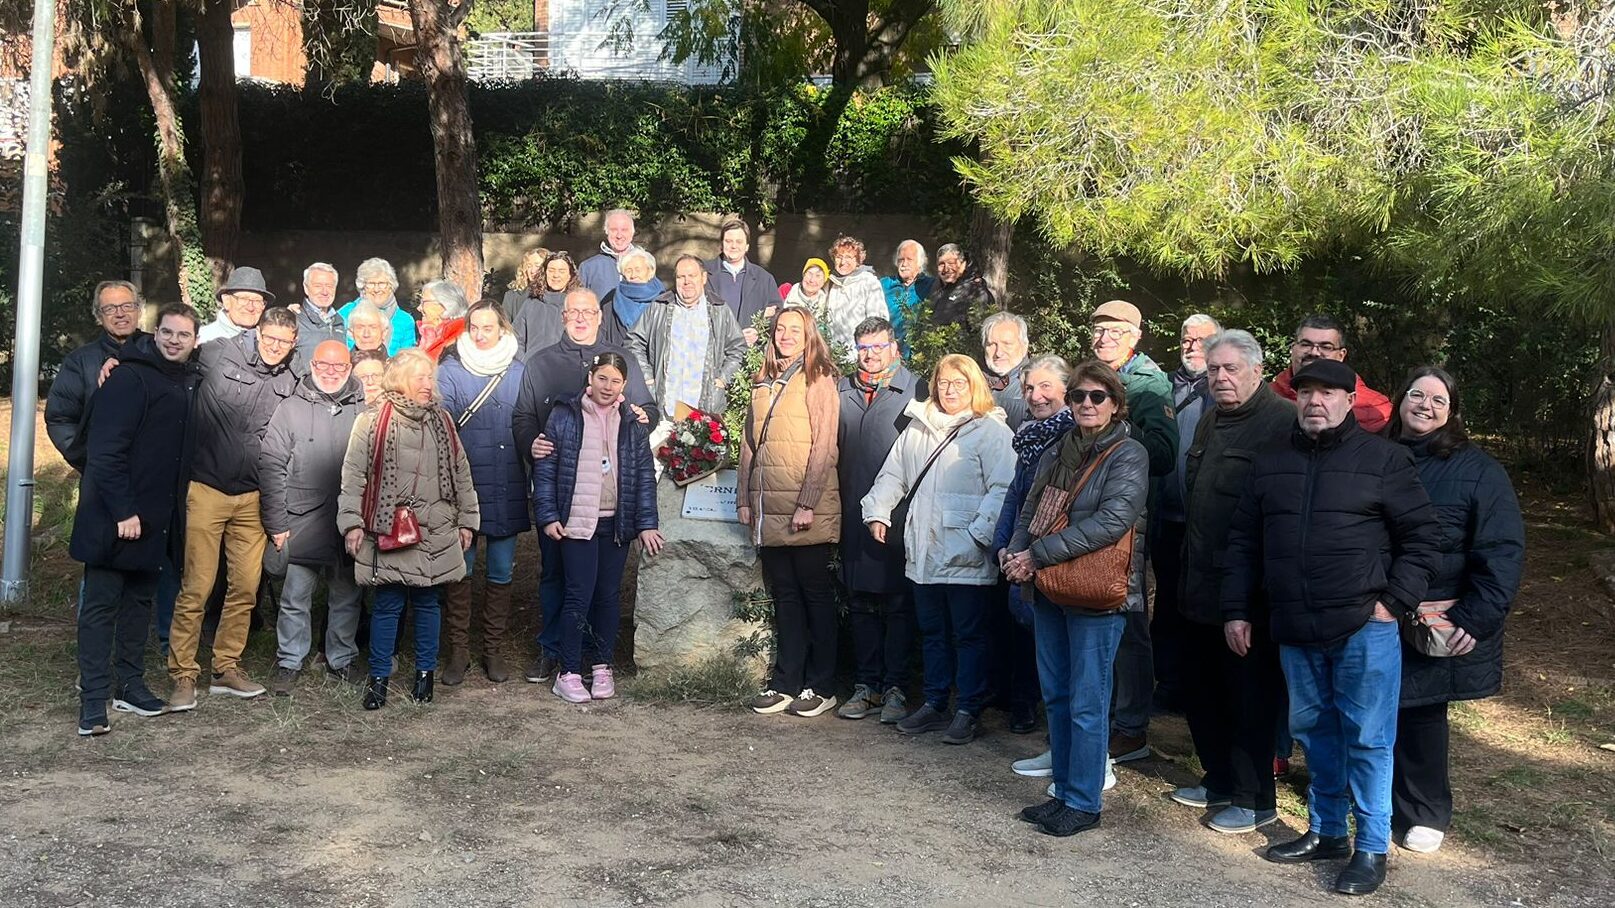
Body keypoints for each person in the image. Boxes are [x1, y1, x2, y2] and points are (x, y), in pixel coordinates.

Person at [1223, 358, 1442, 896]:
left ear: (1349, 401)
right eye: (1306, 394)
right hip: (1294, 625)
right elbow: (1244, 543)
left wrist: (1394, 602)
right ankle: (1326, 833)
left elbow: (1423, 538)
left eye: (1328, 394)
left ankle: (1370, 845)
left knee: (1368, 740)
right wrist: (1236, 608)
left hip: (1363, 625)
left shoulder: (1384, 460)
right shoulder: (1270, 462)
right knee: (1314, 734)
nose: (1315, 402)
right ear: (1295, 400)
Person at [1004, 361, 1149, 837]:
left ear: (1115, 403)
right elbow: (1030, 507)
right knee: (1060, 695)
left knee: (1089, 699)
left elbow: (1113, 521)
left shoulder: (1128, 454)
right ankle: (1063, 791)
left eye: (1097, 397)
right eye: (1079, 397)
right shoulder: (1057, 450)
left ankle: (1085, 801)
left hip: (1095, 592)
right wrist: (1019, 551)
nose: (1087, 404)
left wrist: (1036, 554)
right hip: (1049, 587)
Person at [1387, 367, 1525, 855]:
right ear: (1400, 400)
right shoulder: (1373, 455)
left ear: (1452, 413)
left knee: (1422, 714)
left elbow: (1502, 550)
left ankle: (1423, 812)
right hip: (1374, 609)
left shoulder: (1479, 470)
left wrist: (1474, 618)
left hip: (1436, 615)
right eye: (1416, 394)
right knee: (1367, 708)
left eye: (1437, 400)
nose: (1424, 405)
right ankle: (1367, 798)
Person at [1170, 329, 1295, 834]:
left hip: (1249, 592)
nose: (1220, 377)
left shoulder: (1282, 423)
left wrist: (1249, 597)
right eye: (1214, 369)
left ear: (1257, 371)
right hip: (1198, 580)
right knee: (1201, 687)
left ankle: (1254, 797)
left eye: (1231, 369)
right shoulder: (1210, 418)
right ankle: (1218, 778)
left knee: (1249, 695)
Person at [861, 354, 1014, 744]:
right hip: (924, 549)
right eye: (943, 382)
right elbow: (893, 474)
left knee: (968, 634)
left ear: (974, 386)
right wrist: (878, 511)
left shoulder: (990, 431)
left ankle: (968, 709)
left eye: (959, 384)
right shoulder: (920, 426)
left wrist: (979, 534)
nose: (949, 391)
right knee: (931, 632)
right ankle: (934, 702)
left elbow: (1004, 488)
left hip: (966, 553)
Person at [68, 303, 203, 735]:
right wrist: (124, 510)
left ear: (194, 341)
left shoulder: (184, 380)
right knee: (101, 607)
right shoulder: (128, 377)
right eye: (167, 332)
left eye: (183, 335)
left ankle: (129, 685)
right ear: (155, 332)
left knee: (138, 606)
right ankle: (93, 700)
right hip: (115, 517)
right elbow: (105, 452)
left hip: (156, 519)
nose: (174, 340)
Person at [513, 288, 658, 684]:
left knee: (601, 587)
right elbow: (524, 417)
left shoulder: (621, 358)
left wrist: (645, 416)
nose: (580, 318)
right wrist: (531, 443)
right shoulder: (540, 362)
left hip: (607, 501)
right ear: (562, 317)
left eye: (588, 312)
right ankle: (554, 651)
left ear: (599, 316)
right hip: (561, 496)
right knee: (556, 576)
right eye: (573, 311)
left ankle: (595, 657)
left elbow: (647, 413)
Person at [166, 306, 300, 710]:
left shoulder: (293, 379)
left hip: (253, 496)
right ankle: (183, 675)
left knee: (245, 587)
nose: (275, 347)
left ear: (293, 344)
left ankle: (226, 667)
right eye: (269, 338)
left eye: (284, 341)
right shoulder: (219, 352)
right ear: (258, 334)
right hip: (206, 488)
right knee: (198, 586)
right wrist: (118, 358)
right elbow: (170, 352)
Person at [339, 348, 480, 710]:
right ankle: (379, 680)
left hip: (436, 527)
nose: (427, 385)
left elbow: (461, 474)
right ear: (400, 380)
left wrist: (468, 520)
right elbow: (353, 477)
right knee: (388, 602)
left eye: (429, 378)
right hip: (389, 527)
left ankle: (424, 677)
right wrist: (352, 523)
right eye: (420, 378)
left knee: (428, 602)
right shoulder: (371, 422)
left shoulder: (443, 421)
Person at [533, 353, 663, 702]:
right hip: (577, 522)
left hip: (615, 524)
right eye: (602, 378)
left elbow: (644, 477)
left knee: (607, 597)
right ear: (590, 378)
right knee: (578, 594)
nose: (607, 387)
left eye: (615, 381)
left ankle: (602, 666)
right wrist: (547, 516)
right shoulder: (565, 415)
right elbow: (546, 470)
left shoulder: (633, 422)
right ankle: (569, 670)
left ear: (624, 385)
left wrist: (646, 523)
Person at [739, 307, 844, 718]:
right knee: (784, 595)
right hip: (770, 508)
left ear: (808, 335)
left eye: (794, 330)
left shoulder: (818, 377)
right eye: (780, 329)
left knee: (814, 595)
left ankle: (821, 685)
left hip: (803, 509)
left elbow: (825, 445)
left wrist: (808, 502)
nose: (785, 335)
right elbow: (750, 444)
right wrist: (744, 499)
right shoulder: (763, 380)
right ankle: (787, 681)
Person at [1087, 299, 1177, 764]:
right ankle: (1097, 718)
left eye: (1115, 331)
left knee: (1127, 620)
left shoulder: (1147, 384)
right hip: (1087, 516)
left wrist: (1114, 423)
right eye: (1098, 330)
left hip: (1130, 521)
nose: (1104, 338)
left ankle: (1131, 726)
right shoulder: (1089, 376)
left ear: (1135, 337)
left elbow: (1162, 454)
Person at [258, 340, 368, 695]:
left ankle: (341, 659)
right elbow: (271, 466)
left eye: (339, 366)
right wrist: (276, 524)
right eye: (324, 365)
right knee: (294, 598)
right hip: (299, 519)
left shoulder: (364, 409)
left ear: (349, 368)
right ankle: (290, 661)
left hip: (348, 521)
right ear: (311, 365)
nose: (331, 372)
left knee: (347, 595)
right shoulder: (290, 408)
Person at [835, 317, 926, 723]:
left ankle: (896, 688)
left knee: (897, 603)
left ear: (895, 347)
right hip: (851, 512)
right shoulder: (842, 389)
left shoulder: (917, 390)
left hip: (898, 515)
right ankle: (866, 684)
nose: (870, 355)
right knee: (859, 601)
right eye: (863, 348)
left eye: (878, 346)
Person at [436, 299, 529, 685]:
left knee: (500, 572)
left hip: (507, 483)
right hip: (464, 484)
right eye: (474, 326)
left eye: (488, 327)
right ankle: (458, 651)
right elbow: (442, 425)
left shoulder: (520, 371)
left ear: (502, 329)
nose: (479, 333)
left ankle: (492, 649)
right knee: (460, 570)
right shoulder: (451, 370)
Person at [995, 355, 1075, 766]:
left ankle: (1063, 746)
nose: (1035, 395)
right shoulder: (1027, 433)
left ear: (1066, 389)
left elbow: (1060, 502)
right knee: (1030, 636)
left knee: (1057, 650)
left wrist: (1031, 550)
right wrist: (1005, 543)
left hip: (1054, 554)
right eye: (1028, 388)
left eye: (1045, 387)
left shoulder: (1073, 434)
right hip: (1023, 548)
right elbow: (1016, 493)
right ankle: (1044, 731)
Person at [1151, 313, 1220, 712]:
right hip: (1167, 517)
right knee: (1167, 604)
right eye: (1186, 338)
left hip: (1206, 523)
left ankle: (1199, 684)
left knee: (1200, 604)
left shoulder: (1224, 387)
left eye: (1201, 339)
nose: (1191, 345)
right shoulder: (1164, 387)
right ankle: (1169, 683)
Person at [627, 253, 747, 417]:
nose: (686, 281)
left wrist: (722, 379)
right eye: (681, 276)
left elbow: (738, 348)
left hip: (704, 409)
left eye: (692, 276)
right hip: (665, 406)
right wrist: (648, 379)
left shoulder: (719, 310)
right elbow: (633, 342)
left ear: (703, 278)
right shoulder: (659, 307)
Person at [47, 281, 147, 472]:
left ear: (138, 310)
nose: (120, 314)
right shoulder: (79, 361)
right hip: (101, 477)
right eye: (110, 309)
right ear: (98, 316)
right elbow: (60, 419)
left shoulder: (160, 352)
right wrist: (90, 460)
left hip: (156, 477)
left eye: (127, 306)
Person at [1270, 314, 1392, 432]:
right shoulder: (1263, 398)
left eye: (1326, 347)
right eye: (1306, 344)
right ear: (1293, 349)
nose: (1314, 352)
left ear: (1341, 355)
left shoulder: (1375, 408)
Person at [704, 217, 779, 343]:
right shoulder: (703, 274)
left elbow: (777, 314)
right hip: (713, 351)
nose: (733, 246)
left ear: (747, 246)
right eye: (728, 241)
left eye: (739, 242)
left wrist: (758, 331)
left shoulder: (764, 279)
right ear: (721, 245)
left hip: (749, 353)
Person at [823, 236, 889, 359]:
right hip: (832, 357)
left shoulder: (869, 282)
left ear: (858, 259)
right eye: (839, 257)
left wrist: (869, 353)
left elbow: (877, 322)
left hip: (860, 356)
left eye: (848, 257)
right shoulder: (829, 283)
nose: (843, 262)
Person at [340, 258, 416, 355]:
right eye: (371, 284)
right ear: (363, 286)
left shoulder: (405, 320)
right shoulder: (346, 313)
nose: (376, 289)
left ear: (391, 286)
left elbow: (407, 359)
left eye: (382, 284)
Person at [513, 250, 579, 354]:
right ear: (544, 273)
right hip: (532, 367)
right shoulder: (531, 303)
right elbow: (516, 338)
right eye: (551, 270)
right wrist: (523, 364)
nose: (556, 275)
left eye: (561, 271)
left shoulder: (578, 306)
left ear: (570, 275)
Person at [600, 248, 666, 346]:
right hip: (621, 356)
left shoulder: (664, 300)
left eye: (638, 270)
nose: (633, 275)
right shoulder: (610, 300)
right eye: (628, 270)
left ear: (651, 271)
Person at [926, 243, 996, 336]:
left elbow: (978, 333)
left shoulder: (977, 291)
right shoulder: (937, 285)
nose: (946, 269)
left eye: (951, 263)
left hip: (957, 349)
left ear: (963, 263)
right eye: (941, 264)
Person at [981, 311, 1031, 431]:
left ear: (1024, 346)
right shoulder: (973, 381)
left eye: (1007, 344)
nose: (998, 353)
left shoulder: (1033, 385)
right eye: (991, 344)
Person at [879, 239, 934, 349]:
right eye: (900, 260)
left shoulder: (932, 285)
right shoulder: (884, 284)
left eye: (909, 259)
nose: (904, 264)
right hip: (889, 349)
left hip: (920, 351)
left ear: (920, 262)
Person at [578, 208, 644, 298]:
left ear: (632, 233)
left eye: (624, 230)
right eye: (614, 230)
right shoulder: (588, 268)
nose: (619, 235)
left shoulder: (645, 264)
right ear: (606, 232)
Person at [200, 266, 272, 345]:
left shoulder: (268, 344)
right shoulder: (203, 339)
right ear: (226, 301)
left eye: (257, 301)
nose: (250, 307)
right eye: (243, 299)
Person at [294, 263, 347, 359]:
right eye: (318, 286)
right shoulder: (294, 320)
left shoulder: (340, 322)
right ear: (306, 288)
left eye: (329, 286)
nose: (325, 292)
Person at [417, 279, 469, 361]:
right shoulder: (430, 335)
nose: (419, 308)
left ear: (443, 305)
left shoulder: (458, 340)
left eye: (423, 302)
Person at [500, 248, 552, 323]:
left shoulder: (556, 295)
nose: (532, 271)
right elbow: (505, 327)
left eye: (537, 266)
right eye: (529, 266)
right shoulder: (512, 297)